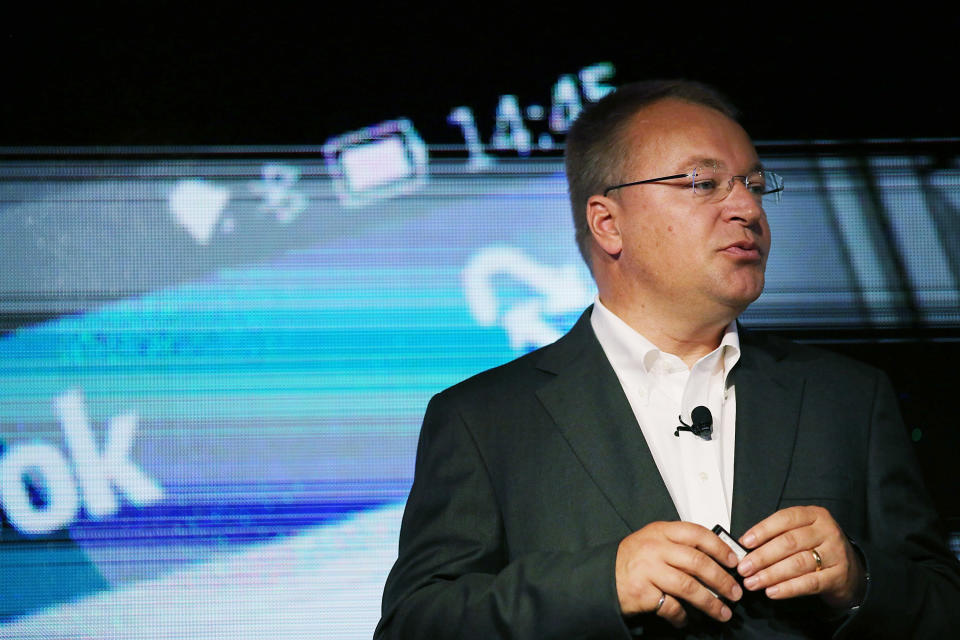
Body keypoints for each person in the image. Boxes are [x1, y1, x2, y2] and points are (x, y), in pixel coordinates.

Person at [373, 80, 960, 639]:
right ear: (608, 223)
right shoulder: (485, 418)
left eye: (754, 185)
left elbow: (942, 606)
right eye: (704, 183)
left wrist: (858, 581)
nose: (747, 210)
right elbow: (417, 624)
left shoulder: (847, 396)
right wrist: (603, 584)